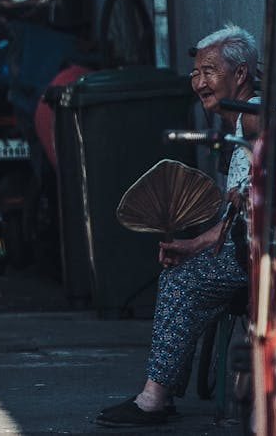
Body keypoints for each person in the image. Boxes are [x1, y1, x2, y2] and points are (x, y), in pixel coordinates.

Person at [96, 24, 260, 427]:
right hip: (244, 245)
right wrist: (193, 245)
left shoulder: (255, 118)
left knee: (180, 282)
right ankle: (164, 390)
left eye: (209, 71)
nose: (199, 82)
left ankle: (154, 398)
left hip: (259, 254)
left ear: (239, 75)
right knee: (183, 267)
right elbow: (234, 222)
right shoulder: (241, 122)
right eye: (196, 73)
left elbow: (251, 211)